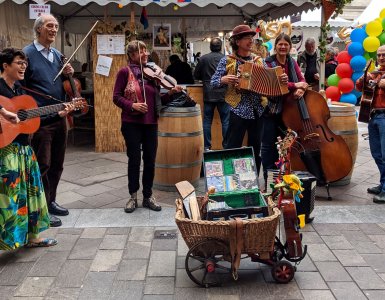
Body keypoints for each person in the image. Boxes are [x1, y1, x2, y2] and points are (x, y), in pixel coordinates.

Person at [113, 40, 182, 213]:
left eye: (145, 50)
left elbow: (159, 101)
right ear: (131, 55)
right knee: (134, 160)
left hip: (151, 123)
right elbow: (116, 97)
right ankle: (133, 196)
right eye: (139, 51)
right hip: (131, 123)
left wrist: (171, 94)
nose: (144, 54)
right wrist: (132, 106)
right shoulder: (124, 71)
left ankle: (148, 196)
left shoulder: (152, 74)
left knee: (150, 161)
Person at [0, 48, 57, 249]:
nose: (24, 66)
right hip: (6, 152)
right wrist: (3, 111)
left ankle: (32, 237)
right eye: (19, 62)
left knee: (31, 195)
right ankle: (9, 240)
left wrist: (60, 112)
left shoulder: (20, 91)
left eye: (25, 63)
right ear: (5, 66)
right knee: (9, 199)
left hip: (24, 151)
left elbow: (31, 120)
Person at [23, 14, 75, 227]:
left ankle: (51, 200)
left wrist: (68, 74)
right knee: (42, 164)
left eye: (56, 26)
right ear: (38, 29)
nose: (54, 29)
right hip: (40, 120)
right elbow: (21, 89)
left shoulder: (57, 55)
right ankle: (41, 208)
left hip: (60, 116)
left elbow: (62, 85)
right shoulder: (27, 54)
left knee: (57, 163)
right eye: (49, 26)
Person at [211, 24, 283, 174]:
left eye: (251, 38)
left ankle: (253, 180)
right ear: (237, 42)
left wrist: (280, 80)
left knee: (256, 148)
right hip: (237, 109)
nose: (251, 41)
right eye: (247, 38)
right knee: (232, 147)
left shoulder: (258, 61)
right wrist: (223, 80)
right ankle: (230, 178)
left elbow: (269, 82)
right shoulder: (228, 61)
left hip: (258, 110)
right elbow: (213, 83)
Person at [261, 33, 307, 186]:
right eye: (280, 44)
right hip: (271, 110)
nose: (283, 47)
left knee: (286, 146)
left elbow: (302, 80)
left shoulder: (292, 61)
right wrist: (295, 86)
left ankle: (282, 178)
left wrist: (302, 89)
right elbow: (274, 83)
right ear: (275, 46)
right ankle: (269, 180)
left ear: (290, 47)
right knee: (268, 146)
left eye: (285, 44)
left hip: (289, 110)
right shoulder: (268, 62)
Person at [355, 45, 385, 203]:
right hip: (372, 115)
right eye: (379, 55)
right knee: (377, 154)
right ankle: (383, 184)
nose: (381, 58)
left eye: (384, 55)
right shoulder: (375, 73)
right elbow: (359, 87)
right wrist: (364, 76)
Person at [194, 37, 229, 150]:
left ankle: (207, 147)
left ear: (210, 47)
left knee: (207, 120)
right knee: (225, 121)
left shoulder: (203, 59)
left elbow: (196, 75)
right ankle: (226, 146)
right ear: (221, 46)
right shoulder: (226, 59)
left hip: (208, 93)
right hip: (223, 93)